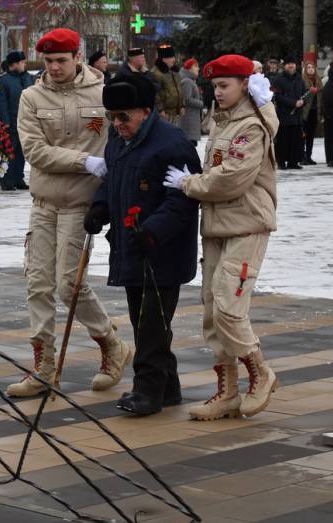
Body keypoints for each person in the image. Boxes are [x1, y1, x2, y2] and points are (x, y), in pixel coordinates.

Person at [8, 28, 132, 398]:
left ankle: (111, 344)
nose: (54, 67)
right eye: (48, 61)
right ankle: (44, 367)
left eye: (61, 60)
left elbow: (123, 136)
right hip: (44, 203)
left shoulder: (104, 92)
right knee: (38, 285)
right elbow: (35, 151)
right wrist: (84, 161)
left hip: (83, 204)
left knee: (69, 285)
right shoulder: (32, 97)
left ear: (78, 57)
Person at [164, 54, 279, 421]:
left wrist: (188, 184)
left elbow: (231, 178)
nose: (218, 91)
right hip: (217, 226)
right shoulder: (223, 121)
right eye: (214, 85)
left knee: (230, 307)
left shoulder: (251, 126)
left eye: (225, 85)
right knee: (213, 311)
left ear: (245, 84)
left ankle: (260, 371)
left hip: (246, 224)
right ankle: (227, 391)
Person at [84, 74, 200, 415]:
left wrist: (152, 232)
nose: (117, 124)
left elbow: (181, 199)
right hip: (131, 247)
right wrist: (100, 206)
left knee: (151, 324)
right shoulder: (119, 142)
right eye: (112, 117)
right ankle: (168, 387)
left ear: (146, 111)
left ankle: (147, 391)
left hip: (161, 251)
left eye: (124, 117)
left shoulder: (172, 143)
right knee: (146, 321)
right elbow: (112, 179)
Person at [0, 50, 35, 191]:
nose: (24, 64)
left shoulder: (29, 78)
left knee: (21, 153)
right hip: (11, 123)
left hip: (27, 123)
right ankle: (7, 180)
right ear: (14, 64)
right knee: (9, 153)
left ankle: (18, 178)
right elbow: (1, 104)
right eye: (22, 62)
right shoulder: (3, 81)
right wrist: (5, 122)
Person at [272, 55, 305, 169]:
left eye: (293, 63)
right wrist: (293, 103)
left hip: (297, 116)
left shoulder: (300, 78)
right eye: (288, 63)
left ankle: (293, 161)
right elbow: (278, 96)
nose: (291, 65)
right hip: (284, 116)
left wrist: (302, 102)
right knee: (283, 140)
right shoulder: (278, 79)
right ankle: (281, 162)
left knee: (296, 140)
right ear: (285, 65)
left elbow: (304, 94)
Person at [151, 44, 183, 125]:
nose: (174, 59)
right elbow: (154, 94)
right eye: (171, 57)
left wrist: (182, 105)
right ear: (164, 59)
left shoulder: (174, 72)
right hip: (164, 114)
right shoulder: (156, 73)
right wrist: (160, 110)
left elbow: (179, 89)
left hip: (175, 113)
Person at [300, 61, 321, 166]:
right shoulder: (302, 81)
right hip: (305, 112)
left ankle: (309, 156)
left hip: (315, 112)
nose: (311, 69)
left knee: (311, 136)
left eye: (312, 67)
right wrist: (310, 91)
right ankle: (302, 157)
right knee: (303, 135)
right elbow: (302, 95)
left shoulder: (318, 81)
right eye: (308, 67)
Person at [179, 57, 203, 146]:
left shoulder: (191, 80)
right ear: (189, 68)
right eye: (196, 66)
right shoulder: (187, 81)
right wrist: (200, 103)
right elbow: (187, 99)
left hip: (191, 120)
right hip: (188, 122)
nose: (198, 68)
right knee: (189, 147)